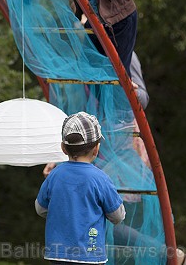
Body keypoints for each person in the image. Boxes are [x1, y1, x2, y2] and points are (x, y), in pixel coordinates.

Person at [36, 112, 125, 264]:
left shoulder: (54, 175)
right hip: (90, 256)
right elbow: (118, 216)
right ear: (96, 149)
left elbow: (40, 209)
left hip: (57, 255)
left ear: (63, 148)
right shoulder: (101, 179)